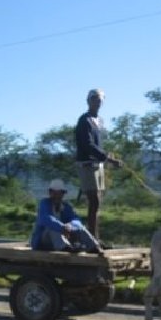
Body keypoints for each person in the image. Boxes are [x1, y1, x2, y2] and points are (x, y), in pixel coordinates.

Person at [74, 88, 122, 243]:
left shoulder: (99, 120)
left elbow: (97, 144)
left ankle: (96, 238)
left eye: (100, 100)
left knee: (98, 201)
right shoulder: (84, 120)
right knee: (93, 200)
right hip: (87, 164)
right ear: (88, 101)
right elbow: (88, 145)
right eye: (94, 99)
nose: (98, 102)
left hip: (98, 164)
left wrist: (106, 157)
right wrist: (107, 158)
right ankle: (91, 239)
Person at [30, 179, 103, 254]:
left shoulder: (66, 206)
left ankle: (93, 247)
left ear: (63, 194)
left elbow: (76, 219)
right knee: (52, 228)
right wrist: (62, 227)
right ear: (50, 193)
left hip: (62, 237)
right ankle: (65, 248)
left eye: (59, 193)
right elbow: (45, 219)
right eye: (54, 193)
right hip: (43, 242)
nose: (57, 196)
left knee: (81, 228)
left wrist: (71, 225)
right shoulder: (44, 203)